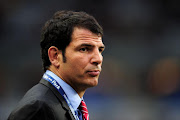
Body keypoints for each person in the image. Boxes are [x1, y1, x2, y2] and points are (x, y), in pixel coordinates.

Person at [8, 10, 105, 120]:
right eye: (84, 49)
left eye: (100, 50)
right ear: (55, 56)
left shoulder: (66, 105)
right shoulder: (38, 109)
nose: (97, 59)